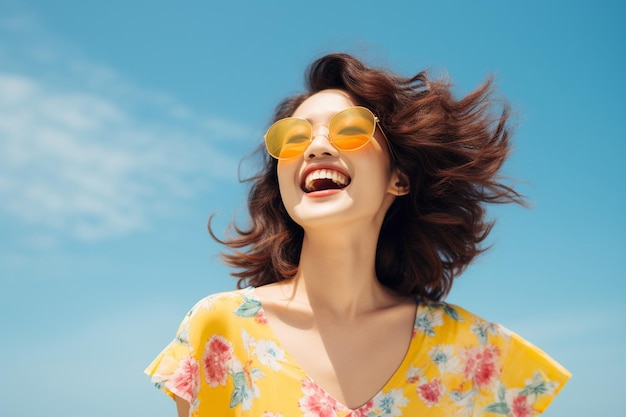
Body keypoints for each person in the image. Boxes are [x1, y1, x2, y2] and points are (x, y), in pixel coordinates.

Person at [145, 53, 570, 416]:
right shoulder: (219, 330)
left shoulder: (478, 352)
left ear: (399, 178)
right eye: (292, 138)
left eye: (349, 128)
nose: (315, 147)